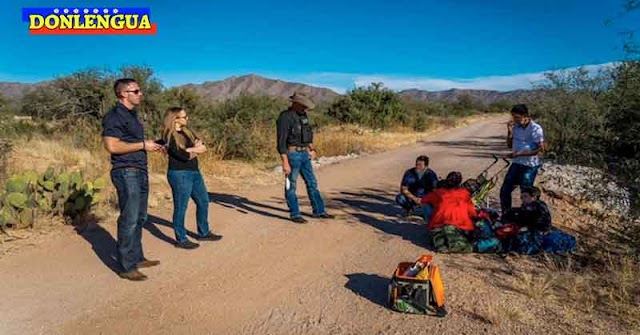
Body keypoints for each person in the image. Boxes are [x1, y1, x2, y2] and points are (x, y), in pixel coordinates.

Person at [102, 78, 164, 281]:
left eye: (140, 90)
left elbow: (134, 142)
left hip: (139, 170)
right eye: (136, 91)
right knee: (129, 219)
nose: (140, 93)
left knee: (140, 217)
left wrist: (151, 145)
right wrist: (142, 145)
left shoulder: (132, 115)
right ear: (123, 93)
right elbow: (112, 146)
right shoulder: (114, 116)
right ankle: (126, 266)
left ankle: (136, 257)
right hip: (126, 171)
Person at [162, 107, 223, 249]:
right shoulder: (169, 135)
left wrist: (189, 150)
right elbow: (182, 156)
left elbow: (203, 146)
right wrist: (194, 150)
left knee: (203, 201)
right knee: (181, 206)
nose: (187, 119)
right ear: (175, 119)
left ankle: (204, 232)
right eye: (184, 117)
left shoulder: (187, 132)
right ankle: (181, 239)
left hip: (194, 171)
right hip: (179, 174)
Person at [276, 92, 334, 224]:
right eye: (303, 105)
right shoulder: (285, 117)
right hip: (292, 155)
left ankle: (319, 211)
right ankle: (295, 214)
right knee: (291, 185)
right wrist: (285, 162)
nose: (305, 108)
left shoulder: (303, 116)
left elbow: (307, 135)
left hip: (304, 155)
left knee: (312, 183)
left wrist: (312, 149)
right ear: (295, 103)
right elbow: (281, 142)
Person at [500, 104, 545, 214]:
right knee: (505, 191)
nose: (514, 120)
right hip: (516, 163)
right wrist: (509, 132)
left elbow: (541, 149)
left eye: (517, 117)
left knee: (526, 194)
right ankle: (506, 215)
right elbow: (510, 146)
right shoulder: (515, 127)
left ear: (525, 116)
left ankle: (527, 216)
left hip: (529, 166)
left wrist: (521, 153)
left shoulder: (536, 129)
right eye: (513, 117)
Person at [421, 171, 477, 253]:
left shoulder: (438, 193)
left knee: (426, 205)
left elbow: (423, 200)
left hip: (440, 224)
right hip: (461, 227)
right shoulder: (465, 194)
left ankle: (431, 230)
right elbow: (472, 214)